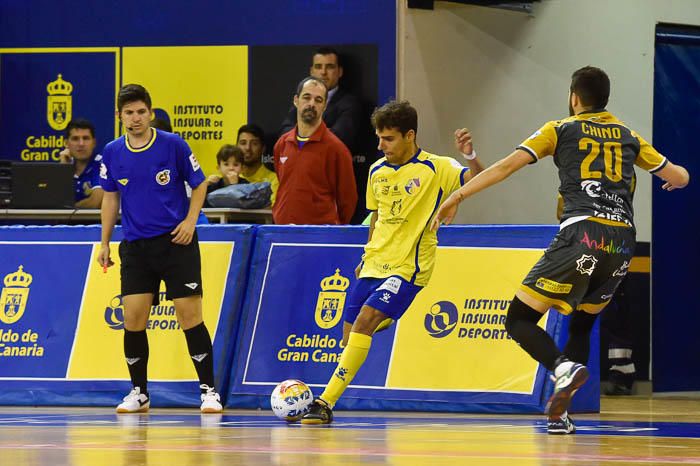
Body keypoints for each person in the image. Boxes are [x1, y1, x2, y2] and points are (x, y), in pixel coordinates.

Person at [432, 66, 689, 434]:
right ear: (605, 99)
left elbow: (506, 167)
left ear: (574, 97)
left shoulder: (560, 128)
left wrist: (457, 194)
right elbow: (679, 176)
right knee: (583, 323)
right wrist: (672, 182)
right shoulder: (628, 135)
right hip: (622, 241)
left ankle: (562, 368)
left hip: (581, 232)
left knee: (518, 320)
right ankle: (562, 415)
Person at [301, 100, 484, 424]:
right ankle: (385, 317)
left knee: (364, 322)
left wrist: (468, 154)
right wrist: (366, 254)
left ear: (409, 135)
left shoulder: (436, 167)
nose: (380, 145)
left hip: (409, 267)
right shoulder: (376, 171)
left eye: (388, 139)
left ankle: (323, 403)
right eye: (379, 137)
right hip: (374, 264)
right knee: (349, 340)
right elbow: (377, 217)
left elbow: (476, 179)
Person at [97, 83, 223, 414]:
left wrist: (190, 222)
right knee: (133, 319)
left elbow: (200, 184)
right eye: (129, 113)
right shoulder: (112, 151)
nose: (136, 118)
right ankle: (139, 392)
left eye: (141, 112)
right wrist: (105, 241)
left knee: (190, 317)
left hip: (175, 244)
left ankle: (209, 391)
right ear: (119, 116)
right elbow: (110, 197)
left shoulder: (173, 145)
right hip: (136, 248)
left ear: (150, 113)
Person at [273, 76, 358, 225]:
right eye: (306, 97)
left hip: (319, 237)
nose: (311, 104)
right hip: (283, 232)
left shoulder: (336, 149)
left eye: (318, 100)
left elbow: (348, 200)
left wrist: (333, 229)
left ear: (325, 106)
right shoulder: (282, 144)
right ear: (296, 100)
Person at [280, 47, 363, 153]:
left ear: (340, 72)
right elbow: (285, 131)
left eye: (330, 67)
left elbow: (339, 138)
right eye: (318, 67)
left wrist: (302, 136)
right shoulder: (302, 99)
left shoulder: (350, 103)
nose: (323, 72)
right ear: (312, 71)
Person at [58, 118, 104, 208]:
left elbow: (95, 202)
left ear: (94, 143)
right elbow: (52, 202)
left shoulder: (103, 164)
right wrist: (63, 169)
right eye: (75, 139)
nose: (81, 144)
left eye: (86, 138)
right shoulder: (64, 165)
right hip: (64, 222)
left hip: (96, 222)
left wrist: (66, 211)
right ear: (66, 143)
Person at [236, 124, 278, 205]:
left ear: (263, 149)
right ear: (236, 147)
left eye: (254, 143)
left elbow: (272, 213)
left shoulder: (273, 181)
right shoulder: (227, 179)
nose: (247, 148)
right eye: (243, 143)